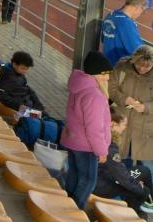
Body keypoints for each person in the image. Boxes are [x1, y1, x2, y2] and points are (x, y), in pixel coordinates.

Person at [60, 51, 112, 210]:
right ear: (95, 73)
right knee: (88, 181)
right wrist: (101, 150)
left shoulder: (79, 86)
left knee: (74, 175)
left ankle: (66, 206)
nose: (107, 78)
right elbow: (94, 129)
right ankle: (74, 212)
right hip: (87, 146)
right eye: (104, 74)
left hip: (73, 140)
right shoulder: (94, 95)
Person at [94, 108, 153, 218]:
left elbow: (118, 170)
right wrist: (141, 189)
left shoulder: (98, 135)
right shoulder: (109, 146)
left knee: (144, 171)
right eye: (124, 124)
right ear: (113, 124)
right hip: (102, 187)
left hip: (99, 179)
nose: (125, 128)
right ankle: (137, 211)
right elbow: (121, 176)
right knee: (141, 191)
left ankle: (150, 203)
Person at [108, 45, 153, 172]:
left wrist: (146, 107)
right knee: (120, 166)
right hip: (123, 126)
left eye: (147, 66)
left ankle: (142, 185)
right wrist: (124, 99)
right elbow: (111, 89)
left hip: (148, 131)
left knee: (145, 170)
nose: (142, 69)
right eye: (139, 65)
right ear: (134, 59)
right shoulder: (122, 67)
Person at [101, 0, 152, 67]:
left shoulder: (110, 15)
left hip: (107, 61)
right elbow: (136, 49)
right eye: (142, 11)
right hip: (120, 66)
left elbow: (103, 38)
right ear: (137, 8)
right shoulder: (127, 23)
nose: (140, 15)